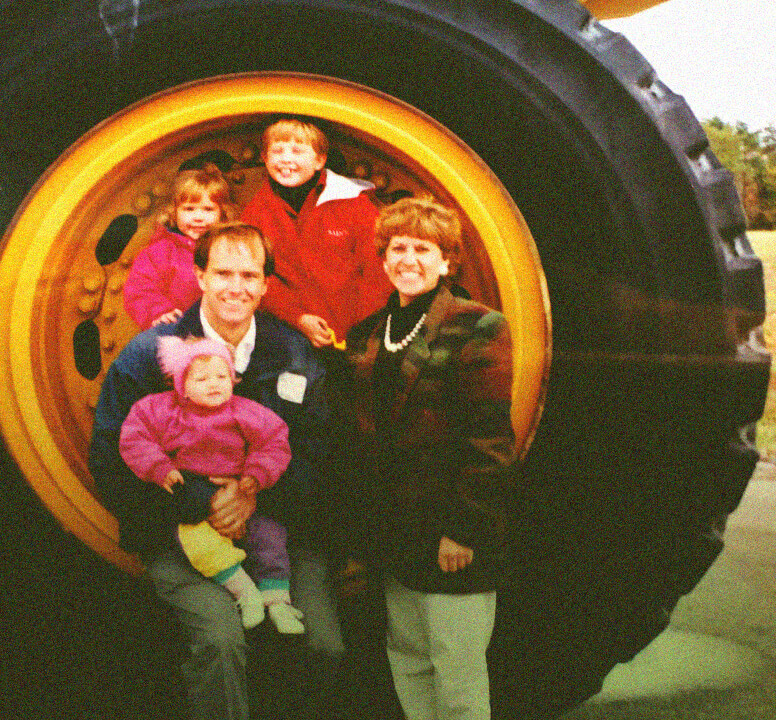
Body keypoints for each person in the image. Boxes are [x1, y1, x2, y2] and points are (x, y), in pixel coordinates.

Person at [90, 222, 344, 720]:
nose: (236, 287)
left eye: (249, 275)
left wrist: (253, 494)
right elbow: (111, 459)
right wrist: (200, 502)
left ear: (266, 285)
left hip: (281, 535)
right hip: (180, 536)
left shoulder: (295, 353)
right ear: (199, 276)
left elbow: (325, 455)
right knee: (222, 642)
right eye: (223, 272)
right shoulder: (149, 356)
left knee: (325, 646)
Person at [333, 197, 516, 720]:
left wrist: (463, 528)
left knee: (457, 671)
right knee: (409, 660)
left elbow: (489, 439)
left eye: (422, 248)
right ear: (383, 258)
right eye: (397, 248)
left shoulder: (478, 326)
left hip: (450, 533)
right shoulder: (370, 331)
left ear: (446, 261)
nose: (407, 259)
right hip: (395, 530)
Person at [118, 336, 304, 634]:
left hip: (240, 489)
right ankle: (245, 592)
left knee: (270, 536)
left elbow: (274, 441)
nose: (214, 383)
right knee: (195, 542)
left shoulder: (243, 410)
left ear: (233, 379)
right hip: (190, 496)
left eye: (221, 376)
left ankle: (277, 600)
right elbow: (135, 436)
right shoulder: (160, 409)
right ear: (181, 386)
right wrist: (159, 467)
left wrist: (257, 474)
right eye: (201, 378)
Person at [241, 117, 393, 347]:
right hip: (290, 331)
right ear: (264, 158)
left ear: (320, 160)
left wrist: (355, 332)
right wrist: (297, 318)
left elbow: (378, 273)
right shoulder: (256, 212)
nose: (286, 159)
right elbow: (255, 275)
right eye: (278, 151)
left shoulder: (354, 205)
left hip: (356, 336)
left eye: (297, 151)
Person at [123, 163, 236, 329]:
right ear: (174, 212)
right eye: (189, 209)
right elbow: (140, 289)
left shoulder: (231, 248)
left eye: (208, 209)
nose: (198, 217)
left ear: (222, 213)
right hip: (176, 329)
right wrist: (159, 312)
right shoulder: (162, 250)